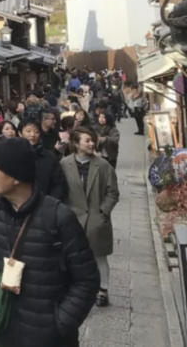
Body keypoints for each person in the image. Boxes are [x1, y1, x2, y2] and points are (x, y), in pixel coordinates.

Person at [0, 138, 100, 346]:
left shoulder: (58, 217)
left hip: (49, 337)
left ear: (15, 176)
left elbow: (87, 280)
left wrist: (59, 323)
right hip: (4, 328)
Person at [62, 126, 120, 307]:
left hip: (96, 217)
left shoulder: (103, 165)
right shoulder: (64, 164)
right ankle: (75, 288)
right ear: (76, 143)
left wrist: (104, 211)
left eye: (92, 140)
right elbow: (61, 190)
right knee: (72, 256)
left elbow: (113, 192)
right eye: (87, 140)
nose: (92, 143)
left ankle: (103, 290)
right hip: (72, 217)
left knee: (99, 256)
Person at [21, 120, 68, 201]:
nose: (32, 135)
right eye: (28, 131)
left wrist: (50, 202)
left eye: (36, 132)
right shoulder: (12, 155)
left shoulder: (49, 156)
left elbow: (59, 183)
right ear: (20, 133)